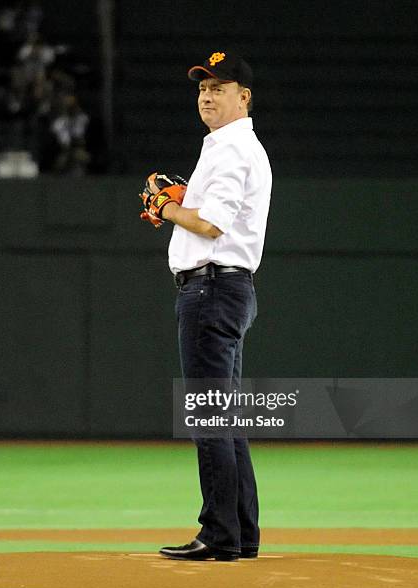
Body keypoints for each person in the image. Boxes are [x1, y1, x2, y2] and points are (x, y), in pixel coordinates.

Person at [148, 51, 272, 561]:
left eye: (220, 87)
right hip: (228, 288)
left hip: (211, 289)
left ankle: (219, 533)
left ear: (244, 96)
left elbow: (211, 225)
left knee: (210, 417)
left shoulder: (231, 149)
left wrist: (167, 207)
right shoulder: (234, 148)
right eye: (203, 86)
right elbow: (212, 216)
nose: (207, 94)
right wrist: (182, 205)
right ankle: (240, 533)